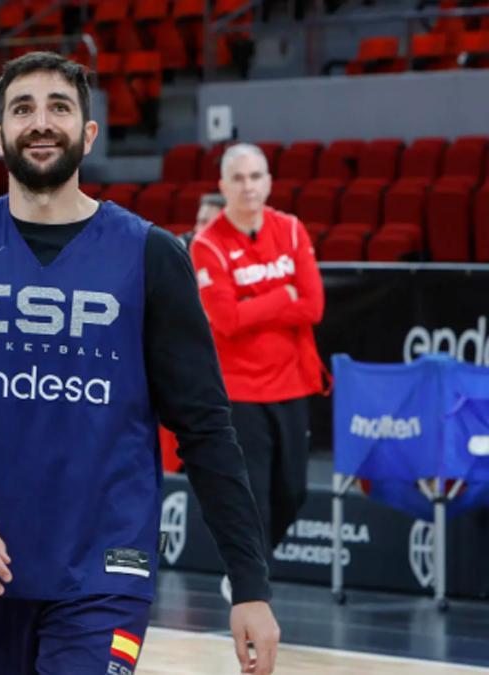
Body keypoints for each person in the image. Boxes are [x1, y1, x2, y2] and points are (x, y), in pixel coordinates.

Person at [0, 52, 280, 675]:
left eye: (59, 108)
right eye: (23, 109)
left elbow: (206, 427)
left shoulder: (151, 255)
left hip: (106, 568)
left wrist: (250, 585)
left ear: (88, 132)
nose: (40, 122)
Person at [189, 143, 325, 602]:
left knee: (294, 491)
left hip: (292, 383)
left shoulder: (290, 229)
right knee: (254, 494)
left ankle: (252, 566)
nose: (249, 186)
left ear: (268, 182)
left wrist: (257, 304)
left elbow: (314, 304)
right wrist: (280, 296)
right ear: (224, 186)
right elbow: (226, 320)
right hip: (240, 390)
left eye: (256, 176)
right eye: (239, 178)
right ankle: (249, 580)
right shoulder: (207, 244)